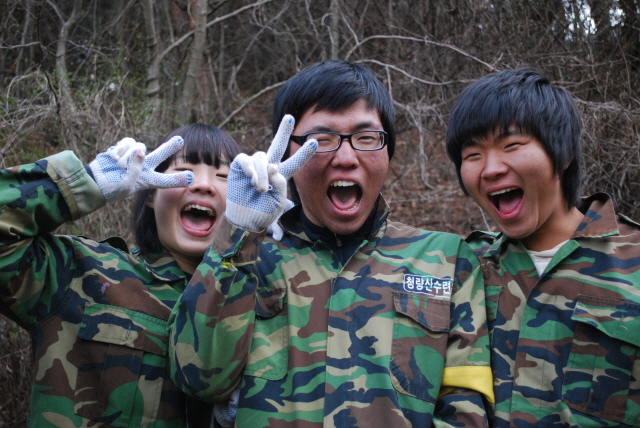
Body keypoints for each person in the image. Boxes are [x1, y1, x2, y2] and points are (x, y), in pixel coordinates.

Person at [169, 60, 494, 428]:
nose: (345, 158)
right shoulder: (247, 257)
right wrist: (238, 231)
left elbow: (466, 411)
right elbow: (196, 379)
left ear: (388, 149)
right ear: (286, 155)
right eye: (320, 141)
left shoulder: (447, 260)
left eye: (366, 138)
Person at [0, 124, 240, 427]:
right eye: (184, 172)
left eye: (224, 177)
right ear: (151, 194)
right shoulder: (80, 274)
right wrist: (84, 183)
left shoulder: (257, 306)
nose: (204, 185)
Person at [446, 68, 640, 427]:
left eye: (511, 146)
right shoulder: (461, 267)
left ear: (562, 154)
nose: (490, 169)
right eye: (472, 155)